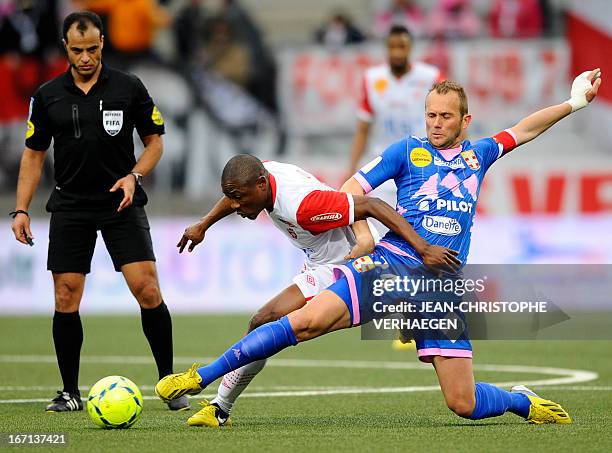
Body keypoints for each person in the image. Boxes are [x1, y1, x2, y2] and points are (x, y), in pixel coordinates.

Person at [156, 68, 602, 425]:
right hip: (391, 263)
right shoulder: (404, 152)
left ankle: (518, 401)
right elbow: (354, 189)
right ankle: (202, 377)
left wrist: (573, 103)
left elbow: (523, 130)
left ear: (464, 121)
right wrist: (366, 237)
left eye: (445, 117)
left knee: (462, 403)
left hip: (439, 287)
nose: (436, 124)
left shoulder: (479, 153)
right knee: (305, 321)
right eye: (430, 115)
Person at [174, 154, 460, 426]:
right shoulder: (258, 175)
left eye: (239, 199)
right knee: (262, 322)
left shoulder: (304, 206)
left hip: (347, 261)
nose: (235, 206)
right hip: (318, 262)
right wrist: (203, 225)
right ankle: (220, 408)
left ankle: (219, 405)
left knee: (265, 320)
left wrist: (422, 248)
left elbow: (374, 206)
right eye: (232, 197)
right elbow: (235, 191)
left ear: (261, 184)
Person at [10, 11, 187, 412]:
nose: (86, 57)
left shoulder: (129, 87)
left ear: (103, 43)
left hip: (120, 202)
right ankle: (70, 392)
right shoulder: (48, 95)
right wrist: (20, 209)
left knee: (148, 290)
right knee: (66, 295)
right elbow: (34, 155)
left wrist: (134, 176)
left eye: (92, 49)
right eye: (78, 50)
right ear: (66, 49)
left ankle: (169, 384)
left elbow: (155, 142)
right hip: (70, 205)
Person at [348, 25, 442, 236]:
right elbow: (363, 129)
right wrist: (351, 168)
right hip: (383, 166)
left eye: (402, 47)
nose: (397, 52)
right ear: (386, 49)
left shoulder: (431, 77)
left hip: (421, 164)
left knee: (421, 233)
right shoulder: (372, 79)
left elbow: (449, 117)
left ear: (410, 48)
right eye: (392, 47)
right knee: (381, 235)